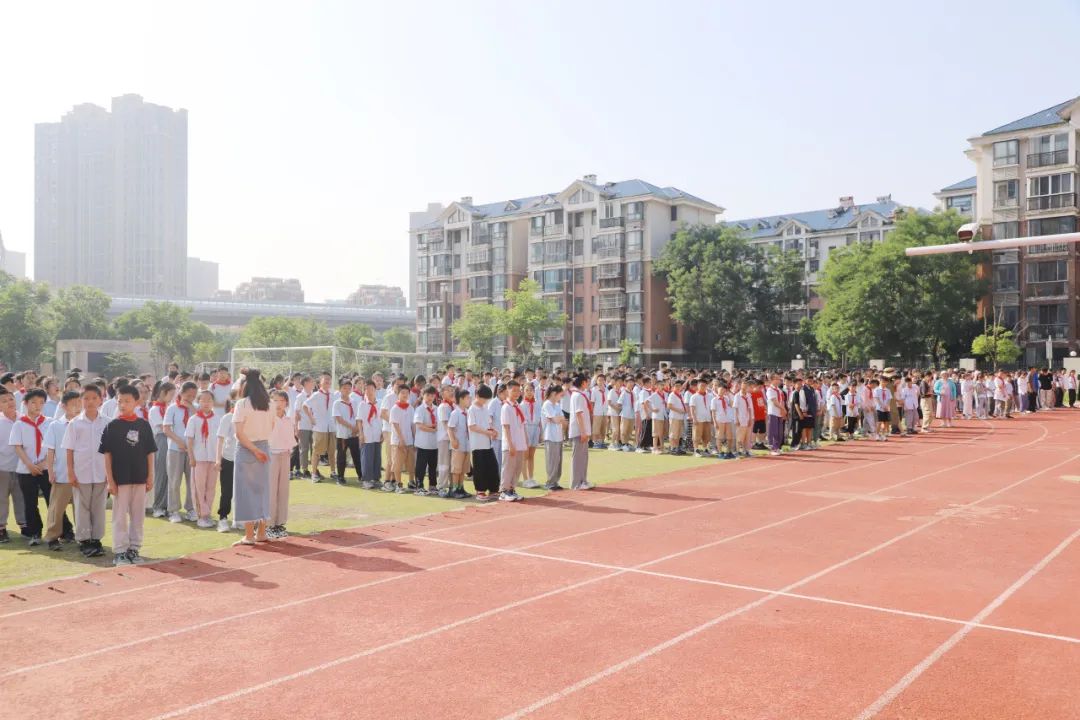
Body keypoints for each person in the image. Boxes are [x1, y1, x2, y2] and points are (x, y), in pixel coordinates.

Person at [99, 384, 157, 565]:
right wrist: (110, 480)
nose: (123, 405)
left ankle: (134, 548)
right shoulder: (112, 426)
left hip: (140, 477)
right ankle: (120, 551)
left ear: (136, 402)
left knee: (138, 515)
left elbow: (150, 452)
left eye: (127, 401)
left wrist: (150, 476)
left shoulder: (143, 425)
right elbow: (107, 455)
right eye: (120, 401)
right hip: (120, 479)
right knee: (119, 516)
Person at [232, 370, 273, 545]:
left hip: (247, 449)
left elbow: (239, 433)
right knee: (262, 491)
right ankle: (261, 532)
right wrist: (259, 449)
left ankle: (249, 535)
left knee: (245, 492)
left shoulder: (242, 404)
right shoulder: (270, 404)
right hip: (264, 447)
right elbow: (271, 427)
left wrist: (254, 450)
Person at [10, 387, 52, 546]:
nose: (37, 405)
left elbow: (52, 446)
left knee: (51, 500)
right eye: (33, 402)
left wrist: (43, 463)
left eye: (41, 402)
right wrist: (30, 465)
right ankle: (35, 533)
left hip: (46, 468)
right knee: (30, 502)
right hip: (25, 470)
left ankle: (60, 531)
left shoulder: (49, 423)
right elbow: (17, 447)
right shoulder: (19, 424)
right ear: (26, 403)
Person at [42, 390, 80, 551]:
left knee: (81, 509)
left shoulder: (84, 423)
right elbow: (50, 450)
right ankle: (52, 537)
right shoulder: (55, 425)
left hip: (82, 475)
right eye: (74, 404)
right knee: (57, 508)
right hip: (62, 474)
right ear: (64, 406)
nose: (78, 407)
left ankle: (83, 537)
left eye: (79, 403)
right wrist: (50, 471)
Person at [184, 389, 220, 528]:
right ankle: (201, 515)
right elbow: (189, 440)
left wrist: (218, 459)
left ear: (213, 403)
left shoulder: (217, 419)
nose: (206, 403)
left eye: (209, 400)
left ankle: (208, 513)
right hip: (198, 458)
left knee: (211, 487)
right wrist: (191, 457)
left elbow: (220, 439)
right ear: (198, 402)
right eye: (203, 400)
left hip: (212, 458)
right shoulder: (194, 419)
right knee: (199, 487)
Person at [164, 381, 197, 523]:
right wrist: (179, 442)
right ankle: (174, 510)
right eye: (188, 395)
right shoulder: (172, 408)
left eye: (194, 396)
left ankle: (191, 508)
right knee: (174, 480)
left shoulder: (195, 408)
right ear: (181, 393)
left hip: (192, 450)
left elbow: (201, 421)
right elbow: (166, 429)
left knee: (192, 481)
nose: (191, 398)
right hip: (175, 449)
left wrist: (192, 408)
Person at [267, 390, 296, 539]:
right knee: (271, 490)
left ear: (286, 403)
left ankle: (279, 523)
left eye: (281, 401)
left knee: (283, 490)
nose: (278, 404)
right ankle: (268, 524)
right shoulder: (268, 418)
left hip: (285, 454)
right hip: (271, 455)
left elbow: (291, 439)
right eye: (275, 400)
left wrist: (288, 451)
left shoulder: (288, 419)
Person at [0, 389, 27, 543]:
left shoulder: (24, 419)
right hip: (2, 468)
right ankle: (1, 528)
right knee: (1, 499)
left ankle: (24, 525)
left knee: (21, 497)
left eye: (11, 399)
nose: (9, 402)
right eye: (4, 401)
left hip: (21, 468)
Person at [467, 384, 499, 502]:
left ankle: (493, 489)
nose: (485, 401)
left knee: (492, 466)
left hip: (487, 443)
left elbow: (488, 423)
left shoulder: (485, 408)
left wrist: (492, 430)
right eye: (483, 398)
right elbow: (472, 426)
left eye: (487, 399)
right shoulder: (472, 409)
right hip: (477, 444)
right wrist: (486, 432)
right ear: (477, 396)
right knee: (479, 468)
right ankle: (480, 491)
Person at [498, 380, 526, 502]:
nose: (516, 393)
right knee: (508, 467)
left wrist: (525, 441)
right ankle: (504, 491)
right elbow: (506, 427)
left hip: (520, 442)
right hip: (510, 443)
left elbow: (522, 425)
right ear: (507, 391)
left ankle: (512, 489)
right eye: (513, 390)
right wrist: (510, 444)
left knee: (517, 467)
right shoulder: (506, 407)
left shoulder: (518, 406)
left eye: (518, 390)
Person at [306, 372, 337, 482]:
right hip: (320, 428)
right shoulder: (316, 395)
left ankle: (333, 472)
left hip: (331, 427)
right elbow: (305, 406)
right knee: (317, 451)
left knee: (332, 452)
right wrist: (311, 418)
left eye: (329, 379)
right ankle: (314, 473)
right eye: (325, 379)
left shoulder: (333, 395)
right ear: (320, 382)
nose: (327, 381)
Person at [214, 395, 237, 532]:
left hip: (244, 460)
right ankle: (223, 518)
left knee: (242, 491)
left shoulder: (248, 417)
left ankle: (239, 518)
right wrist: (218, 459)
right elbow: (220, 439)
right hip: (228, 458)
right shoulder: (227, 418)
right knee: (226, 491)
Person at [413, 385, 440, 496]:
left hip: (434, 443)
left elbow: (439, 424)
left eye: (432, 395)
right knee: (421, 466)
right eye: (427, 395)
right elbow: (419, 425)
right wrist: (432, 428)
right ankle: (419, 486)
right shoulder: (420, 409)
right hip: (423, 443)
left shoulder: (437, 409)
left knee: (433, 466)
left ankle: (433, 486)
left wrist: (435, 428)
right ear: (423, 395)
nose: (430, 398)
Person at [332, 378, 360, 487]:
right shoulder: (337, 403)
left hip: (354, 434)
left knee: (356, 455)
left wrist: (356, 428)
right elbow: (339, 419)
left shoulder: (355, 402)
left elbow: (358, 416)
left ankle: (361, 475)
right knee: (341, 456)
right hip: (343, 434)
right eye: (344, 388)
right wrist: (351, 427)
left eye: (349, 388)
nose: (347, 390)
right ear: (340, 389)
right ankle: (340, 477)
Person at [388, 384, 415, 494]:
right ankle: (398, 484)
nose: (405, 395)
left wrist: (414, 438)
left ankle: (411, 482)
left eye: (407, 393)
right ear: (398, 394)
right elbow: (395, 425)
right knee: (397, 463)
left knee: (411, 463)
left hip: (409, 441)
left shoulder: (410, 408)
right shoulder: (395, 408)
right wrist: (401, 440)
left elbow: (412, 425)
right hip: (398, 441)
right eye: (402, 393)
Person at [446, 389, 472, 499]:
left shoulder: (467, 412)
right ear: (461, 399)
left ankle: (461, 487)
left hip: (467, 444)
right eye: (467, 398)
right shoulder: (455, 413)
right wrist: (453, 440)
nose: (469, 400)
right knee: (456, 469)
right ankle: (454, 488)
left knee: (463, 469)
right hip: (458, 445)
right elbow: (450, 428)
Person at [568, 376, 593, 490]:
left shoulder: (579, 395)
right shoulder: (577, 395)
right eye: (587, 382)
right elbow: (578, 414)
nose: (588, 384)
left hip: (583, 431)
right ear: (583, 383)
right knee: (578, 457)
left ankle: (583, 480)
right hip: (579, 431)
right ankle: (576, 483)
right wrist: (583, 431)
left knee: (583, 457)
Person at [520, 382, 541, 489]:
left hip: (535, 428)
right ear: (523, 391)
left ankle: (531, 477)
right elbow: (522, 421)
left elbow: (540, 417)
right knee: (525, 455)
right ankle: (525, 479)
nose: (529, 392)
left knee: (531, 455)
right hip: (526, 428)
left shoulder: (537, 403)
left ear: (534, 391)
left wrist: (540, 431)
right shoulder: (522, 405)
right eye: (526, 390)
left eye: (531, 390)